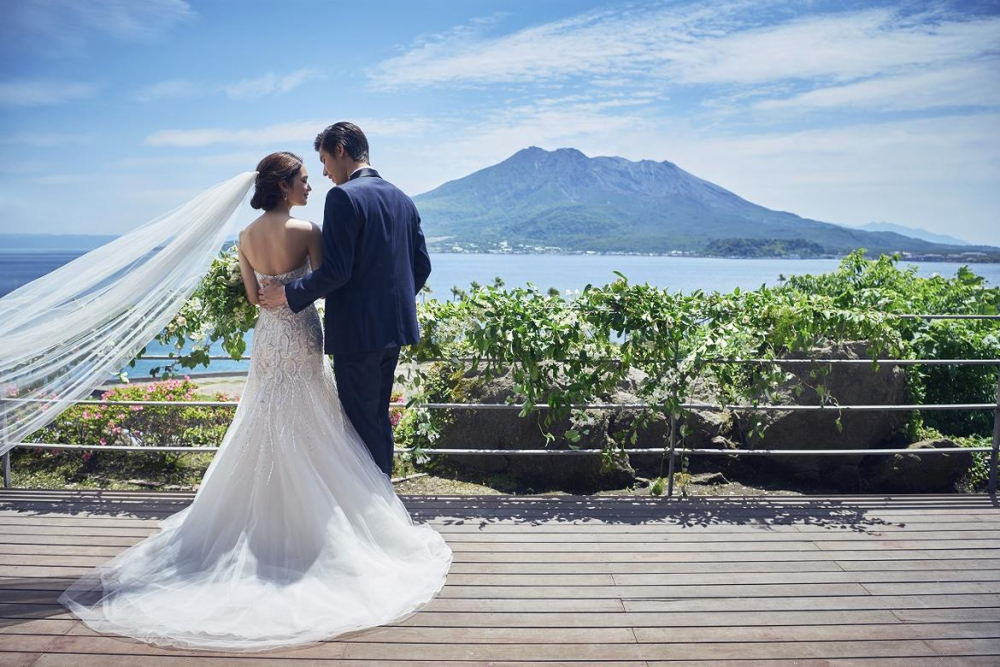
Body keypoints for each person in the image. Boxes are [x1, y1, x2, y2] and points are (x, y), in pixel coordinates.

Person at [57, 148, 451, 652]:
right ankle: (343, 523)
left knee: (266, 420)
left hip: (268, 340)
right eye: (304, 179)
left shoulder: (243, 237)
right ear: (285, 186)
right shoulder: (308, 231)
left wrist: (276, 295)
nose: (312, 185)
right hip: (305, 334)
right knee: (321, 421)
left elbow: (253, 297)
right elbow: (331, 279)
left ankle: (260, 526)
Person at [259, 122, 431, 477]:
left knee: (359, 427)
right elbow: (422, 266)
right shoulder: (402, 198)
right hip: (392, 334)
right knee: (377, 420)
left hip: (357, 336)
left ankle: (373, 518)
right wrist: (386, 306)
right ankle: (385, 506)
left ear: (340, 150)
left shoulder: (343, 197)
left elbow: (336, 271)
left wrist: (286, 294)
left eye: (324, 160)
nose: (323, 172)